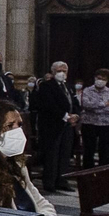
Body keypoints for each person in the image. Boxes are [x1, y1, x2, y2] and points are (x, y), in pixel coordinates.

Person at [31, 60, 78, 192]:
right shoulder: (47, 86)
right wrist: (65, 116)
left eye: (64, 71)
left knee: (65, 153)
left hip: (67, 125)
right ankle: (50, 182)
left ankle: (62, 180)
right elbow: (48, 105)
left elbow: (74, 103)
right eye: (59, 71)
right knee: (52, 154)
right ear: (52, 72)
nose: (62, 73)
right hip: (52, 125)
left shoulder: (68, 86)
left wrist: (76, 115)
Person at [79, 68, 109, 168]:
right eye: (98, 78)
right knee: (88, 150)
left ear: (107, 80)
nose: (100, 80)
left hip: (107, 124)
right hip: (90, 123)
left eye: (103, 78)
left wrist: (95, 107)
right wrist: (104, 104)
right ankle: (88, 172)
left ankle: (103, 171)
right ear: (95, 78)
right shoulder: (87, 90)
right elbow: (86, 105)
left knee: (105, 150)